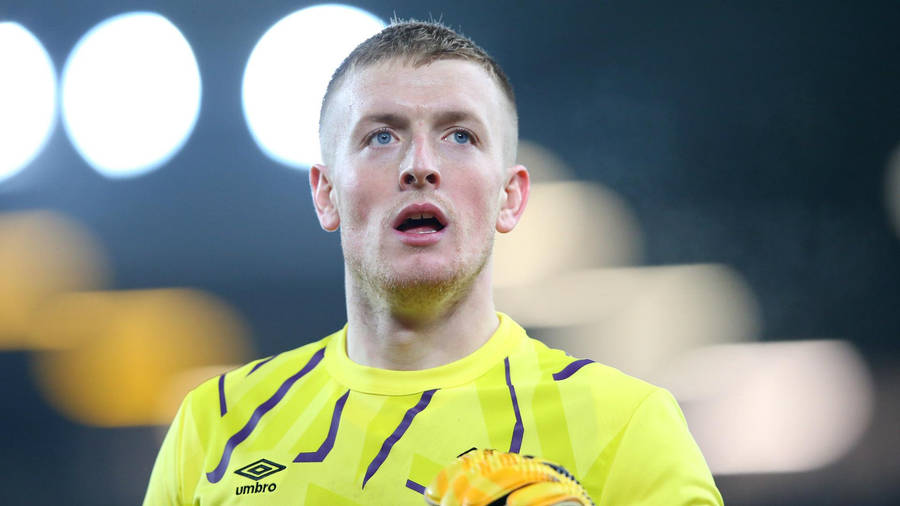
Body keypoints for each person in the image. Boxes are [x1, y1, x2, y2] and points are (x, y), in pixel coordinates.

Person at [144, 20, 723, 505]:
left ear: (510, 196)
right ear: (326, 194)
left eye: (460, 136)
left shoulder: (628, 424)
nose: (420, 165)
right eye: (381, 136)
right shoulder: (216, 425)